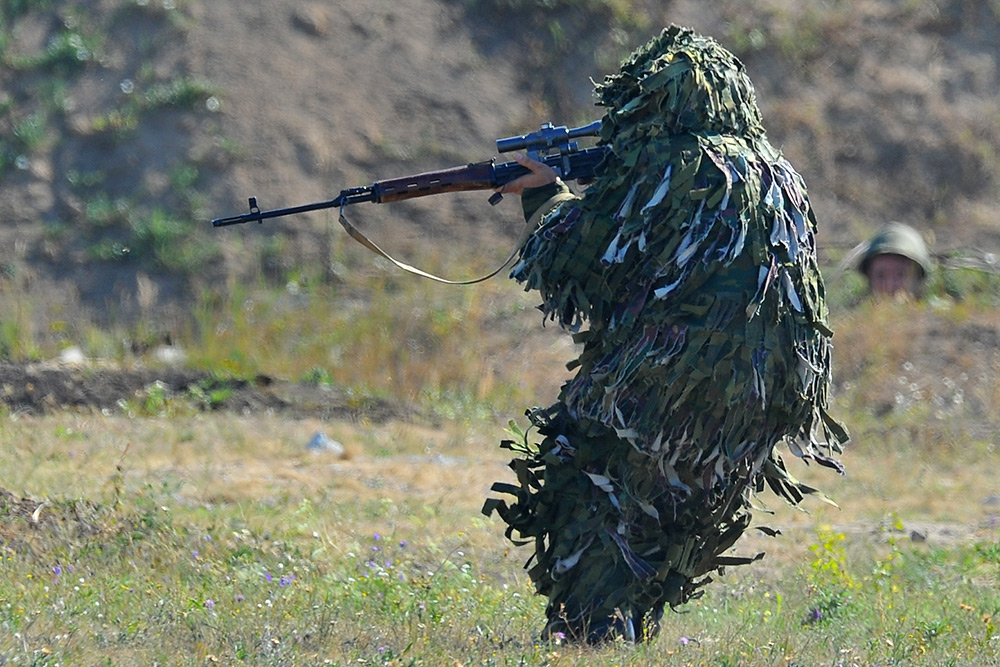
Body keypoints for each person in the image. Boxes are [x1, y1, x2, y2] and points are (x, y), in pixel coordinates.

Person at [482, 25, 848, 644]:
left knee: (585, 472)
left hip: (676, 376)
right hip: (775, 387)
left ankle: (592, 631)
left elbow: (576, 267)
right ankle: (625, 627)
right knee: (672, 502)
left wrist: (544, 198)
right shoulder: (779, 174)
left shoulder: (667, 164)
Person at [855, 222, 933, 297]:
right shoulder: (853, 310)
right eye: (880, 276)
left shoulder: (937, 309)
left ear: (918, 279)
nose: (890, 286)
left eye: (901, 274)